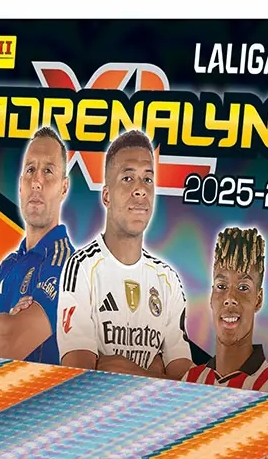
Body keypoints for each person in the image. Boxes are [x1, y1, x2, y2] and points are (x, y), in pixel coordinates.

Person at [57, 130, 197, 376]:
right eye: (127, 178)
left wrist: (118, 366)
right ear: (106, 196)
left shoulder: (168, 280)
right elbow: (79, 375)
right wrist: (156, 372)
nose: (140, 189)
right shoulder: (81, 267)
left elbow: (183, 381)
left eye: (147, 179)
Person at [0, 127, 73, 363]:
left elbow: (5, 344)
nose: (36, 181)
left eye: (48, 171)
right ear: (20, 185)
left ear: (63, 188)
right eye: (30, 170)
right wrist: (2, 323)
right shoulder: (8, 265)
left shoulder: (67, 265)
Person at [182, 227, 268, 392]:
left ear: (258, 300)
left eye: (243, 287)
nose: (230, 298)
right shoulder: (191, 379)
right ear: (211, 296)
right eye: (221, 286)